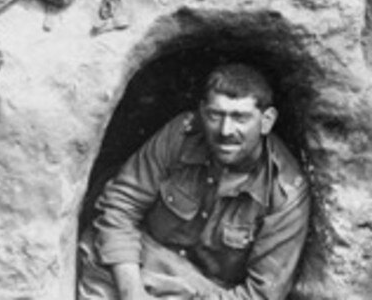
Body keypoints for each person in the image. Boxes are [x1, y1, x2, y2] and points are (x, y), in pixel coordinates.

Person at [77, 63, 310, 300]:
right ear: (202, 111)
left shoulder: (286, 192)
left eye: (240, 117)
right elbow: (119, 208)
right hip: (145, 262)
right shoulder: (180, 135)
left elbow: (261, 294)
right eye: (215, 115)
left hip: (211, 294)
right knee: (96, 252)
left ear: (267, 120)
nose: (225, 130)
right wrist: (132, 293)